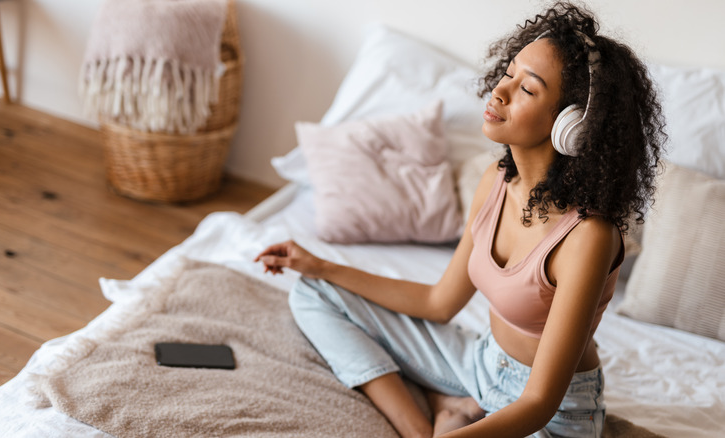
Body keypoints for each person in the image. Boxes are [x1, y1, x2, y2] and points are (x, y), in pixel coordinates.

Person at [255, 2, 665, 437]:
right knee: (314, 294)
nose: (500, 92)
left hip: (554, 415)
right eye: (508, 73)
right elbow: (438, 302)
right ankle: (423, 423)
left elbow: (539, 403)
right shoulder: (495, 180)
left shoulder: (588, 236)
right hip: (479, 365)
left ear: (571, 125)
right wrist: (318, 265)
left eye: (527, 89)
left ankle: (449, 413)